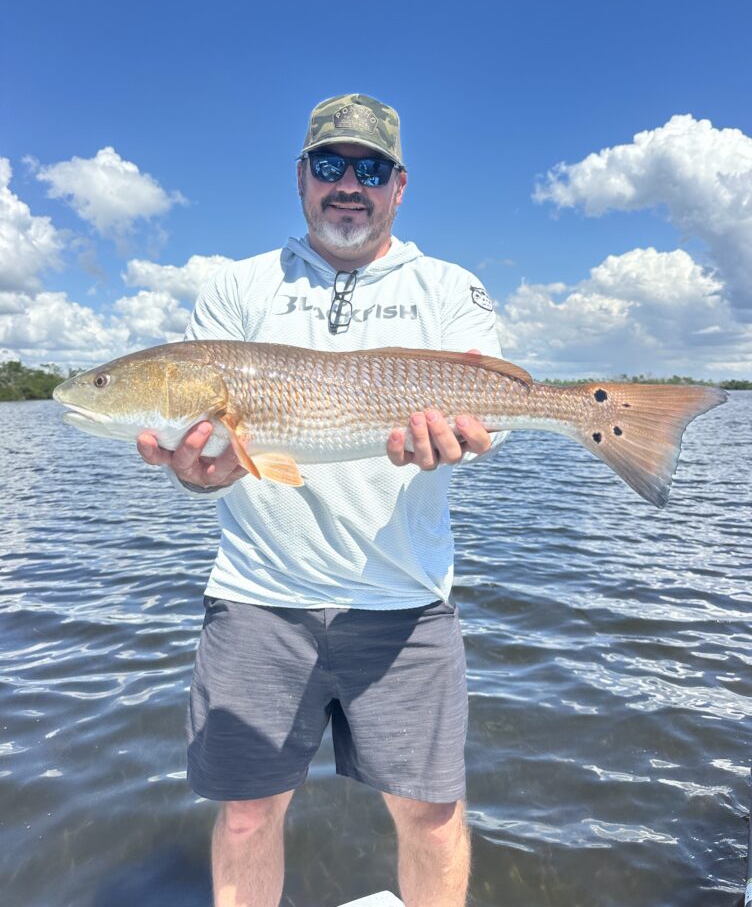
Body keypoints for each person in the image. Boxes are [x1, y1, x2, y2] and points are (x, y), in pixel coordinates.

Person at [137, 94, 505, 907]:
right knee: (243, 816)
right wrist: (195, 471)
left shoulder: (450, 289)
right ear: (300, 177)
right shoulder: (236, 288)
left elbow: (488, 414)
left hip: (405, 601)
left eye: (369, 168)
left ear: (399, 186)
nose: (349, 184)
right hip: (259, 600)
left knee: (434, 817)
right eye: (330, 165)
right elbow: (217, 444)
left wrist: (474, 436)